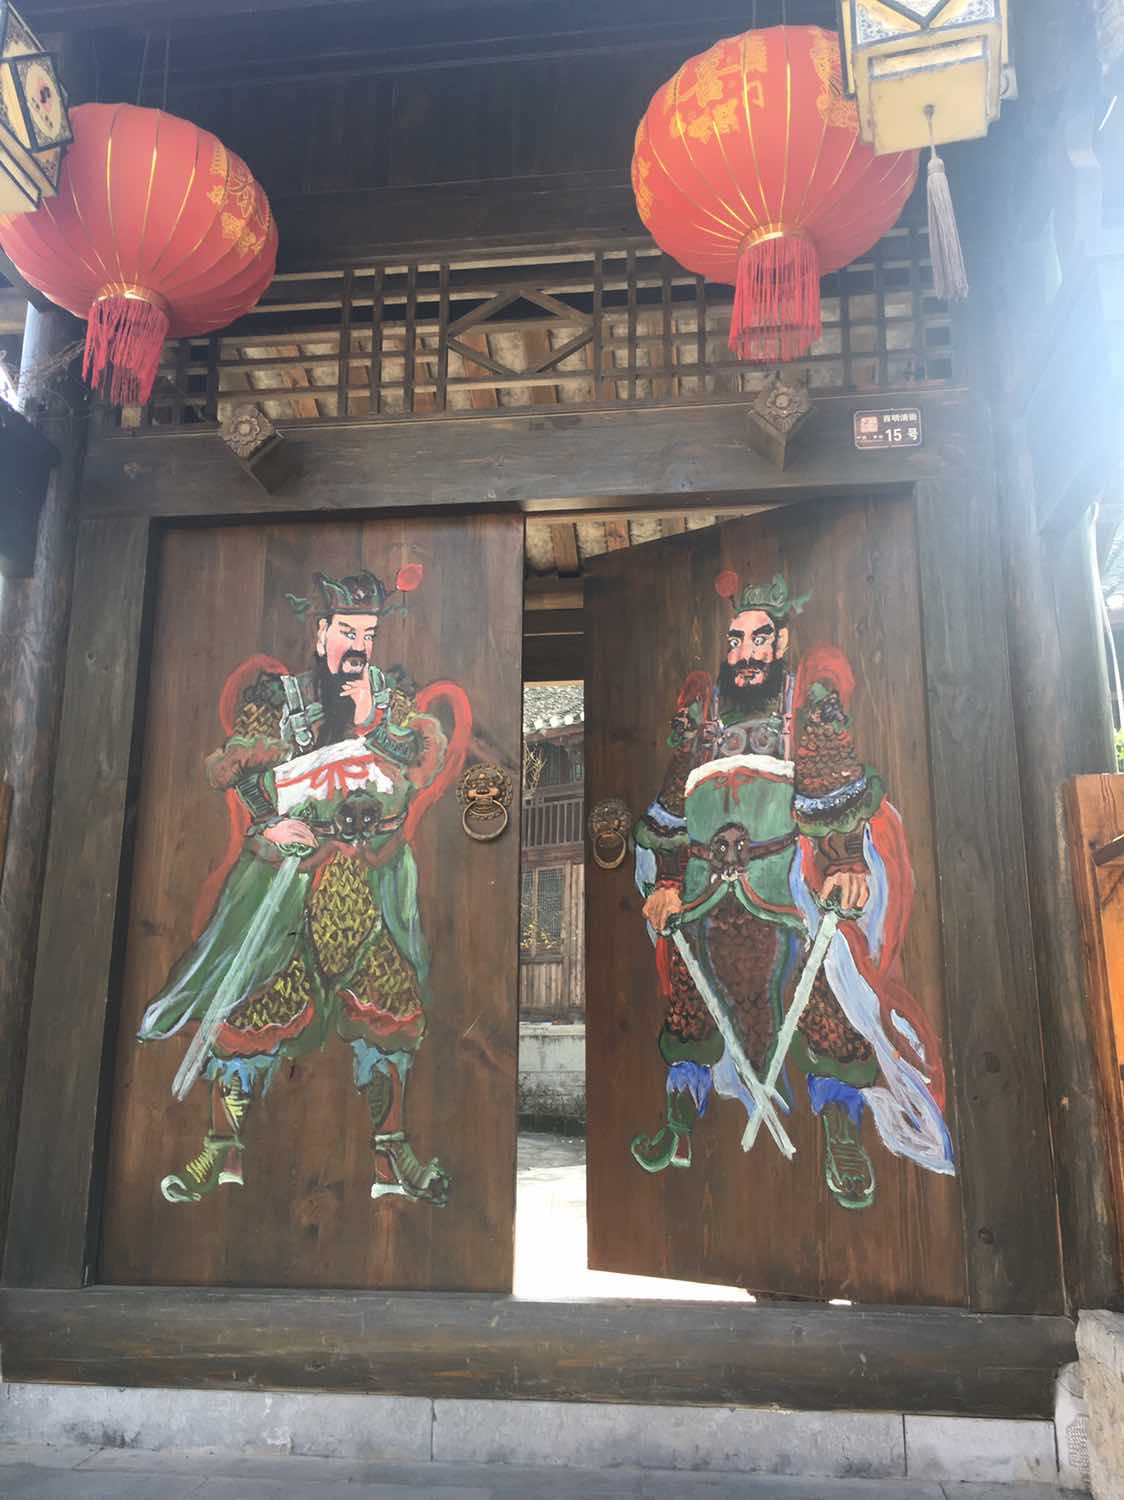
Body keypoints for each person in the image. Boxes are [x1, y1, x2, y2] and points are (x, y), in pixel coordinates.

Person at [139, 566, 468, 1207]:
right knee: (248, 1001)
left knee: (392, 1002)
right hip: (291, 877)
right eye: (347, 632)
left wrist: (374, 723)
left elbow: (418, 765)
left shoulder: (389, 697)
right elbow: (241, 770)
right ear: (321, 634)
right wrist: (271, 822)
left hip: (365, 875)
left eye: (368, 635)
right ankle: (220, 1147)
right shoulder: (280, 699)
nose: (358, 647)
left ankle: (391, 1151)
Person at [631, 571, 954, 1209]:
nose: (744, 654)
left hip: (783, 887)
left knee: (824, 993)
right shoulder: (703, 716)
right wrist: (667, 881)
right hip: (704, 890)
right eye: (735, 641)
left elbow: (831, 786)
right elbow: (672, 808)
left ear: (780, 643)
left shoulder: (803, 703)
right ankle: (680, 1120)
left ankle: (840, 1130)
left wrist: (844, 862)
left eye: (758, 640)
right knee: (691, 1001)